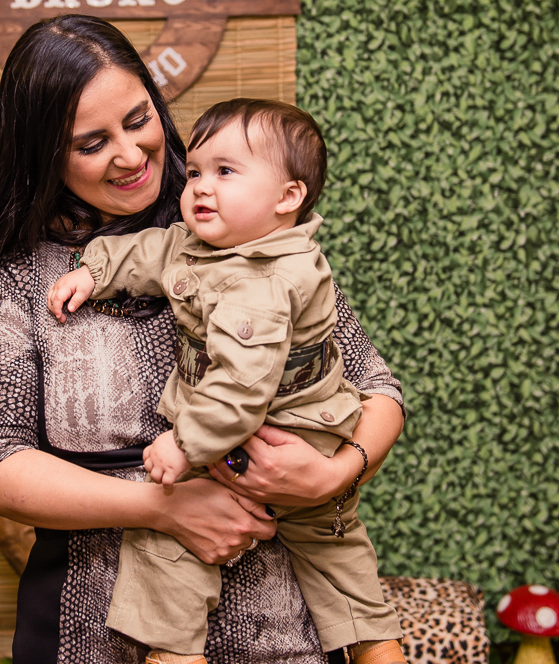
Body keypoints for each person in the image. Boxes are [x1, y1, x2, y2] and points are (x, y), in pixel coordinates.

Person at [0, 14, 406, 664]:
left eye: (138, 120)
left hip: (287, 636)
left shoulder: (247, 232)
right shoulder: (15, 282)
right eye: (92, 142)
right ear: (45, 154)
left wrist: (334, 472)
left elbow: (376, 387)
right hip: (92, 633)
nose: (131, 155)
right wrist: (162, 507)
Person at [48, 99, 404, 664]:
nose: (200, 187)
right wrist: (95, 270)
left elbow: (239, 388)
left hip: (264, 436)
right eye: (195, 172)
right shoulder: (218, 243)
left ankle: (173, 654)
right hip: (302, 430)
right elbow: (156, 249)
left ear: (288, 197)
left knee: (167, 545)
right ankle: (376, 645)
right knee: (337, 554)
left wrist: (184, 443)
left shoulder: (262, 285)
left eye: (226, 172)